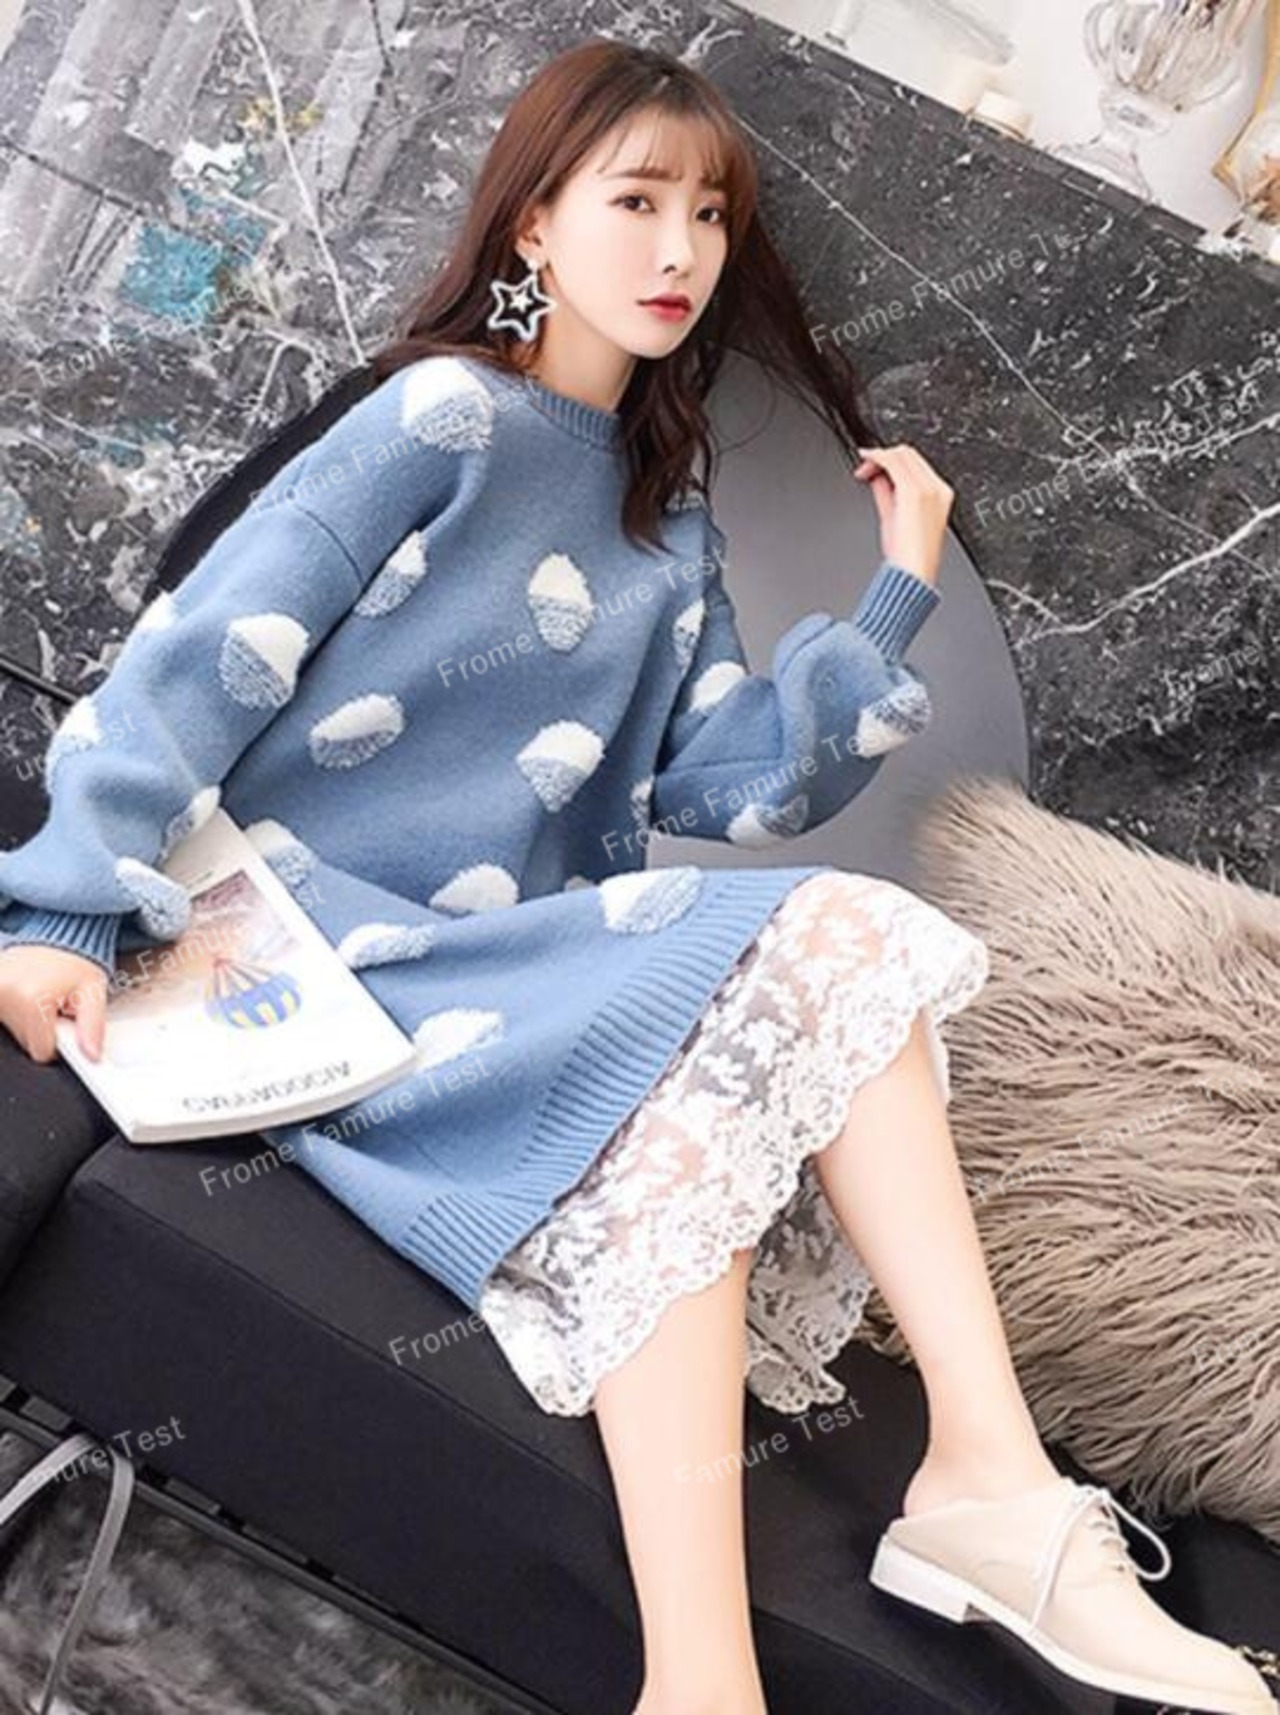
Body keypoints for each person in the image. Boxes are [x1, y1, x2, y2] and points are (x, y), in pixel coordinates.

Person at [0, 36, 1271, 1715]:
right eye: (638, 202)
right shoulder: (439, 419)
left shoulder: (669, 527)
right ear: (533, 222)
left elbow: (739, 788)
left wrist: (895, 589)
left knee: (697, 1134)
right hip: (311, 956)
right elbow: (199, 657)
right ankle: (988, 1476)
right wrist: (64, 905)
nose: (682, 250)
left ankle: (708, 1678)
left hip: (503, 981)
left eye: (712, 215)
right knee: (842, 937)